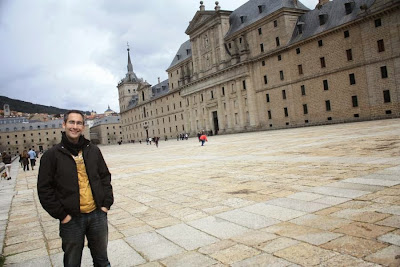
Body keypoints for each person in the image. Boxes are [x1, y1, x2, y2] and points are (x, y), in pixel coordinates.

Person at [38, 110, 113, 267]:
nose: (75, 126)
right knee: (72, 263)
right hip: (71, 218)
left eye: (79, 123)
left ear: (83, 127)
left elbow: (104, 176)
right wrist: (62, 215)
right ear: (64, 124)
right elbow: (45, 189)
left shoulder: (93, 150)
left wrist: (106, 204)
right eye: (71, 122)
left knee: (102, 261)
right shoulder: (51, 155)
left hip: (97, 214)